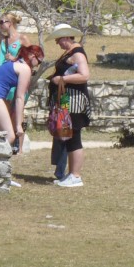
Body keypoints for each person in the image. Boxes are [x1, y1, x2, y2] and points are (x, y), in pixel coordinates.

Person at [46, 23, 92, 188]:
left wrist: (62, 80)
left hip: (74, 101)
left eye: (58, 39)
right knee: (68, 136)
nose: (57, 43)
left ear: (66, 37)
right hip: (66, 100)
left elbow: (84, 75)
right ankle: (71, 174)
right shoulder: (70, 52)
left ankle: (76, 175)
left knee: (74, 138)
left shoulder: (77, 53)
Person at [0, 44, 44, 153]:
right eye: (39, 61)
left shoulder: (15, 62)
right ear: (32, 56)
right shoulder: (25, 69)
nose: (38, 65)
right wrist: (18, 125)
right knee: (9, 136)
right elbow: (20, 98)